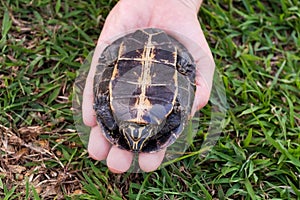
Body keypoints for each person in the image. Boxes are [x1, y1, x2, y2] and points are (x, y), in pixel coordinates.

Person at [82, 0, 215, 173]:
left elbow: (103, 102)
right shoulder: (157, 122)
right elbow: (178, 111)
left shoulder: (114, 124)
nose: (136, 136)